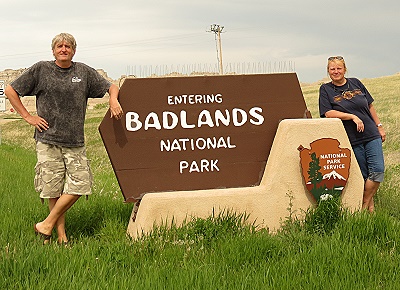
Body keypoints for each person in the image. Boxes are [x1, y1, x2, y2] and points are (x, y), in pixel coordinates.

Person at [5, 33, 123, 244]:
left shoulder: (83, 72)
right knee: (53, 189)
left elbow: (111, 86)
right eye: (59, 46)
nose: (63, 49)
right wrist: (27, 116)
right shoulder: (41, 69)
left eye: (68, 46)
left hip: (75, 141)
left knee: (81, 184)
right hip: (47, 139)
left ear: (73, 50)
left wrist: (113, 100)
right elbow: (10, 89)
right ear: (53, 51)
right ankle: (61, 237)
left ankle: (46, 223)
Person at [319, 56, 385, 212]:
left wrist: (379, 126)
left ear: (344, 69)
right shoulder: (326, 89)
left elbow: (370, 106)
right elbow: (327, 112)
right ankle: (370, 212)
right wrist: (351, 116)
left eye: (339, 68)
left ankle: (363, 204)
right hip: (351, 138)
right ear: (328, 71)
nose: (336, 72)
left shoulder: (355, 82)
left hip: (371, 133)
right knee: (363, 175)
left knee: (377, 171)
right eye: (332, 69)